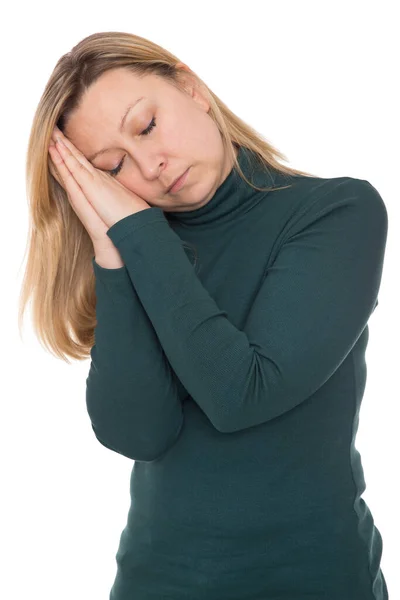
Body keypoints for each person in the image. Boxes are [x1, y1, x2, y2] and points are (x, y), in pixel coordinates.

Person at [19, 31, 389, 600]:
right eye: (113, 166)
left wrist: (140, 237)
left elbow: (242, 393)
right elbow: (137, 433)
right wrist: (114, 254)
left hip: (315, 580)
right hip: (155, 582)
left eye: (146, 126)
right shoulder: (139, 248)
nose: (150, 164)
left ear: (192, 90)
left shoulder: (336, 212)